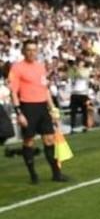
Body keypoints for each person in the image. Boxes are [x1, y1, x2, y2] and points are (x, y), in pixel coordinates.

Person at [7, 39, 69, 184]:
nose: (32, 53)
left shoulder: (41, 67)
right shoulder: (17, 68)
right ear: (23, 51)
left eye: (34, 50)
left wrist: (53, 108)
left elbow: (45, 89)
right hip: (27, 107)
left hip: (42, 107)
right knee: (29, 141)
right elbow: (13, 92)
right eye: (29, 50)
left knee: (49, 139)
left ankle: (56, 173)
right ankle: (33, 176)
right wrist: (19, 112)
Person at [67, 58, 92, 133]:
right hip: (74, 93)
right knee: (73, 111)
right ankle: (72, 127)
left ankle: (85, 126)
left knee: (84, 111)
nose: (79, 64)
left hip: (83, 94)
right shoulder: (73, 70)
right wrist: (72, 69)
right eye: (79, 62)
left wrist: (76, 69)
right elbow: (69, 77)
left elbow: (82, 76)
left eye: (81, 62)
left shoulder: (86, 70)